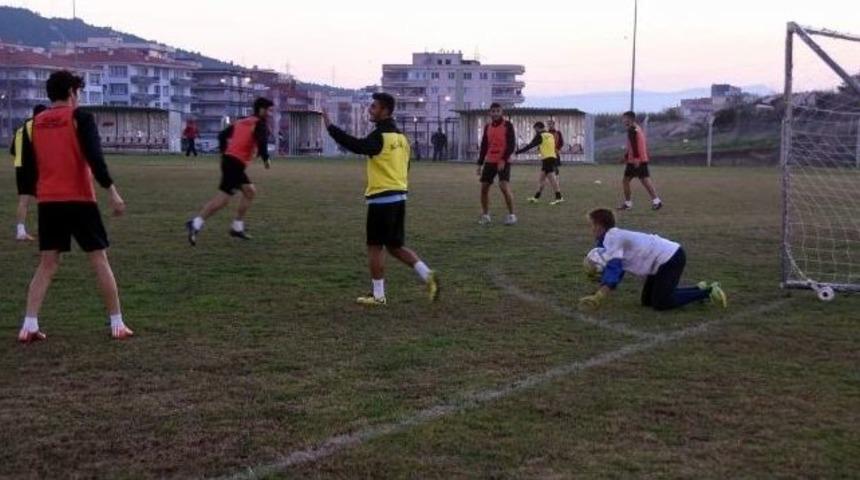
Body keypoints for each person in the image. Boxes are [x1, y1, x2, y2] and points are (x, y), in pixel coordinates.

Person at [17, 70, 131, 343]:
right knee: (98, 259)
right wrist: (112, 192)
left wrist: (33, 196)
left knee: (47, 264)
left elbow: (29, 167)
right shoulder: (80, 118)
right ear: (71, 92)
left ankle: (29, 325)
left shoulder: (34, 123)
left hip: (49, 202)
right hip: (80, 199)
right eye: (77, 92)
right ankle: (117, 323)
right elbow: (94, 157)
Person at [322, 92, 439, 306]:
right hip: (399, 197)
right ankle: (427, 274)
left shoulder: (379, 137)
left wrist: (331, 127)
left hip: (381, 200)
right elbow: (406, 167)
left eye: (374, 107)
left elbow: (355, 145)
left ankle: (378, 295)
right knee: (395, 246)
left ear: (385, 111)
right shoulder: (402, 139)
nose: (370, 110)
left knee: (375, 247)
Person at [579, 208, 727, 311]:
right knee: (647, 301)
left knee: (662, 303)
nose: (591, 229)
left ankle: (709, 292)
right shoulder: (609, 239)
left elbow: (615, 268)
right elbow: (618, 270)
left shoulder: (613, 238)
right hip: (659, 263)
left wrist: (599, 296)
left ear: (600, 226)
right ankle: (697, 288)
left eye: (592, 225)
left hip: (670, 258)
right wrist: (603, 283)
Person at [185, 97, 273, 246]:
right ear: (262, 110)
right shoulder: (260, 124)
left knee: (250, 191)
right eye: (269, 110)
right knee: (222, 200)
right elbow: (262, 142)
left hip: (230, 161)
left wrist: (224, 152)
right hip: (235, 164)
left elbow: (222, 135)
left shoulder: (242, 121)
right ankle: (195, 223)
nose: (270, 113)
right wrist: (266, 159)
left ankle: (236, 227)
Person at [10, 104, 47, 241]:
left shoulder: (20, 129)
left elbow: (13, 150)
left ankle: (20, 231)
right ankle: (45, 230)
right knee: (44, 199)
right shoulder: (38, 126)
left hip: (20, 168)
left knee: (23, 201)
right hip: (35, 168)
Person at [477, 103, 517, 226]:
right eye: (493, 111)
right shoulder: (487, 127)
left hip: (503, 161)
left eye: (497, 111)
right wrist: (480, 163)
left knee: (503, 187)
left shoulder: (508, 125)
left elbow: (511, 144)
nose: (495, 113)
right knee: (484, 188)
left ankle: (511, 215)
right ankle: (486, 215)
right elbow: (484, 145)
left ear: (501, 112)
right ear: (490, 113)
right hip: (490, 161)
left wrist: (503, 159)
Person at [618, 111, 662, 211]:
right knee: (644, 181)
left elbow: (634, 145)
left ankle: (628, 203)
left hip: (635, 160)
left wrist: (636, 158)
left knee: (626, 181)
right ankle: (656, 201)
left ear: (630, 119)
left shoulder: (632, 129)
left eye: (624, 118)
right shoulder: (637, 127)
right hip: (639, 159)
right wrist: (626, 156)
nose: (623, 120)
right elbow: (634, 145)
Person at [518, 121, 565, 205]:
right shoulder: (550, 134)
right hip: (551, 157)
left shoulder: (540, 135)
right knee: (541, 179)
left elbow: (530, 145)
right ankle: (536, 197)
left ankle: (559, 197)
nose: (535, 131)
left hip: (547, 159)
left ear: (538, 128)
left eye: (535, 129)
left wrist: (518, 151)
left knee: (552, 179)